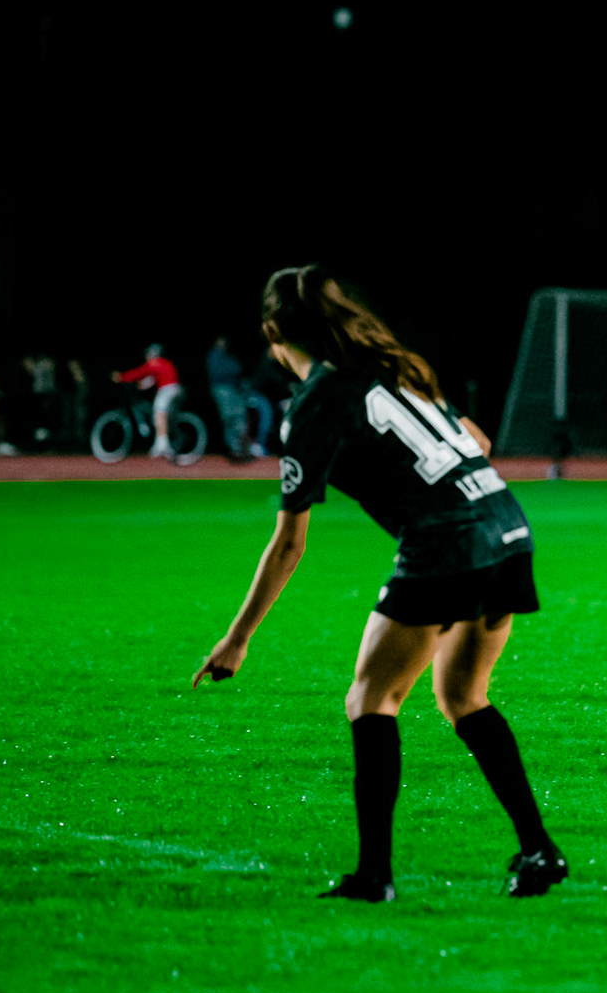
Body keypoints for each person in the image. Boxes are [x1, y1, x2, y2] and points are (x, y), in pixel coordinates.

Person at [193, 266, 566, 902]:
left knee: (372, 699)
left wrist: (236, 639)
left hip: (447, 543)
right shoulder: (399, 366)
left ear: (274, 331)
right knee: (463, 697)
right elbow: (475, 438)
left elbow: (289, 544)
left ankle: (375, 877)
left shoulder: (314, 403)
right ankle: (539, 851)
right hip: (507, 527)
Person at [111, 344, 182, 459]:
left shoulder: (155, 362)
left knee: (159, 411)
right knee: (164, 416)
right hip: (177, 390)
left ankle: (162, 445)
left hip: (168, 390)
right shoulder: (165, 364)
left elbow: (139, 372)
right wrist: (141, 385)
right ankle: (163, 441)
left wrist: (121, 377)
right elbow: (152, 380)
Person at [207, 335, 251, 460]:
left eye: (224, 342)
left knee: (240, 415)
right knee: (229, 417)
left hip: (234, 389)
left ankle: (240, 448)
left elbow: (238, 367)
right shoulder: (213, 356)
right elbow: (220, 373)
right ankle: (233, 449)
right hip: (222, 389)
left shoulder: (228, 357)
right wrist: (232, 370)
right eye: (220, 342)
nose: (223, 345)